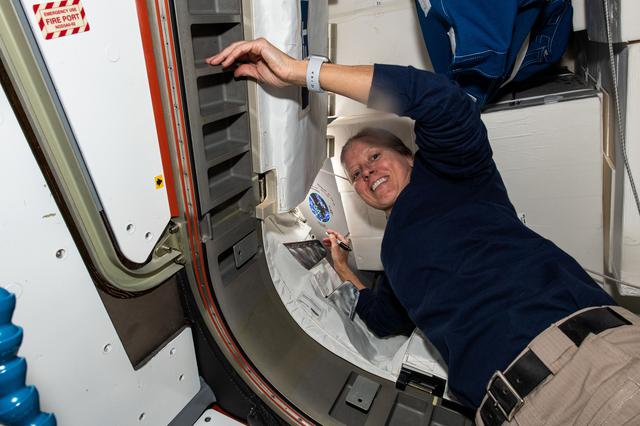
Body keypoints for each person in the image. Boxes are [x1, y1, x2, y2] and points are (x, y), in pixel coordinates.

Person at [207, 38, 640, 425]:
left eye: (374, 157)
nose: (366, 173)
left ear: (410, 156)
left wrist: (302, 72)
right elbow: (384, 319)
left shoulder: (455, 175)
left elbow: (443, 101)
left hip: (594, 368)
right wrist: (343, 269)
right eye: (355, 174)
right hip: (510, 411)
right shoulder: (394, 253)